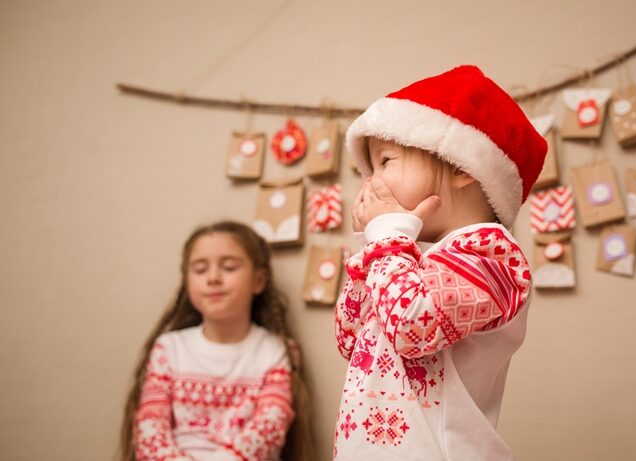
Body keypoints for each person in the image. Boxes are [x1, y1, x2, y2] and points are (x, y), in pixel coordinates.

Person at [333, 65, 548, 460]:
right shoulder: (406, 257)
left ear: (461, 166)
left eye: (386, 162)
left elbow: (412, 326)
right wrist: (374, 249)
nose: (370, 183)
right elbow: (350, 340)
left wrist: (387, 241)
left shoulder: (491, 256)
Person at [119, 221, 312, 461]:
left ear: (258, 281)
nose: (212, 278)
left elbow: (270, 426)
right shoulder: (169, 349)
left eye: (229, 267)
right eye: (200, 270)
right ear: (187, 280)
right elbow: (150, 425)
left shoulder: (275, 351)